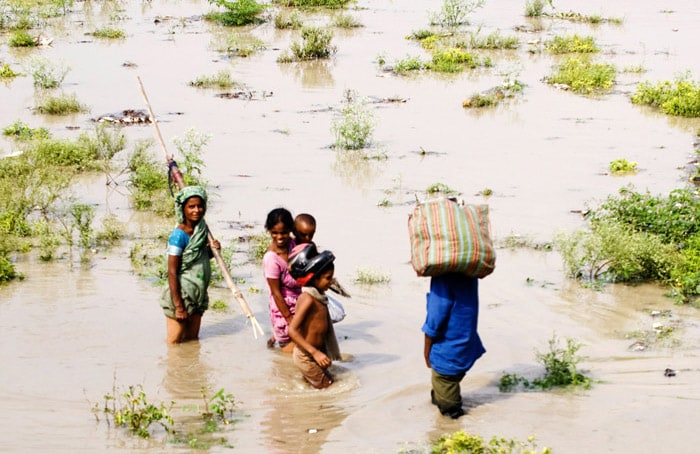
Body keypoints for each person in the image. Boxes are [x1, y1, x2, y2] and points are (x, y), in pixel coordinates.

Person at [161, 186, 221, 344]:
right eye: (191, 206)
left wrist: (211, 251)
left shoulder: (201, 232)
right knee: (174, 342)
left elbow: (196, 260)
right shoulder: (178, 236)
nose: (196, 210)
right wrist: (179, 306)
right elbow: (172, 272)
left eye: (200, 206)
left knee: (192, 341)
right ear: (183, 209)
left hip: (198, 294)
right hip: (181, 294)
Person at [422, 273, 486, 419]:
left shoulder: (443, 279)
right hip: (466, 346)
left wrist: (426, 351)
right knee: (442, 393)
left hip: (448, 353)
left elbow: (435, 318)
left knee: (450, 412)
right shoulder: (469, 276)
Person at [288, 244, 341, 389]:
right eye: (327, 278)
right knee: (329, 387)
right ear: (313, 277)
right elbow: (291, 331)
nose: (330, 282)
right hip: (306, 355)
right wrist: (315, 352)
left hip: (315, 353)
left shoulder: (319, 296)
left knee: (325, 383)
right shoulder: (308, 298)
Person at [263, 207, 301, 352]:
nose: (279, 237)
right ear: (269, 231)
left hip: (298, 301)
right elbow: (276, 292)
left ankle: (275, 337)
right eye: (275, 233)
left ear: (290, 230)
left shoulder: (293, 245)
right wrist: (290, 319)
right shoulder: (271, 258)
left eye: (284, 232)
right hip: (283, 307)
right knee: (289, 354)